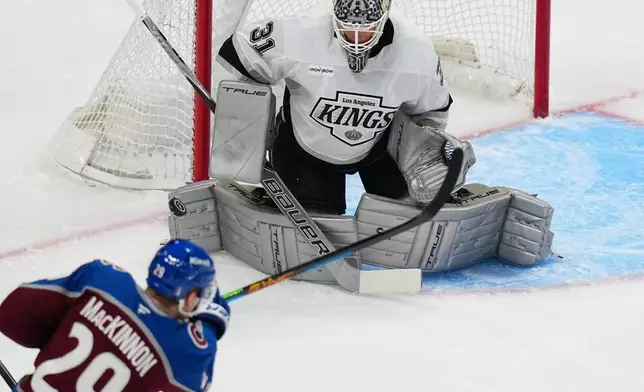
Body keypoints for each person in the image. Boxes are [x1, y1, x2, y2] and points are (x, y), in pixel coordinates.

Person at [216, 0, 475, 215]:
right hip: (304, 153)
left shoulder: (416, 52)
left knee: (405, 219)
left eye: (366, 29)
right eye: (348, 29)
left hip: (380, 151)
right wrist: (245, 135)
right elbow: (236, 56)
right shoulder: (301, 34)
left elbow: (431, 114)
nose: (357, 39)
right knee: (318, 221)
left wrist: (426, 153)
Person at [0, 239, 230, 391]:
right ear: (189, 298)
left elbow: (12, 315)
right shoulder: (180, 347)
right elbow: (195, 378)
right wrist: (210, 324)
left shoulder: (103, 281)